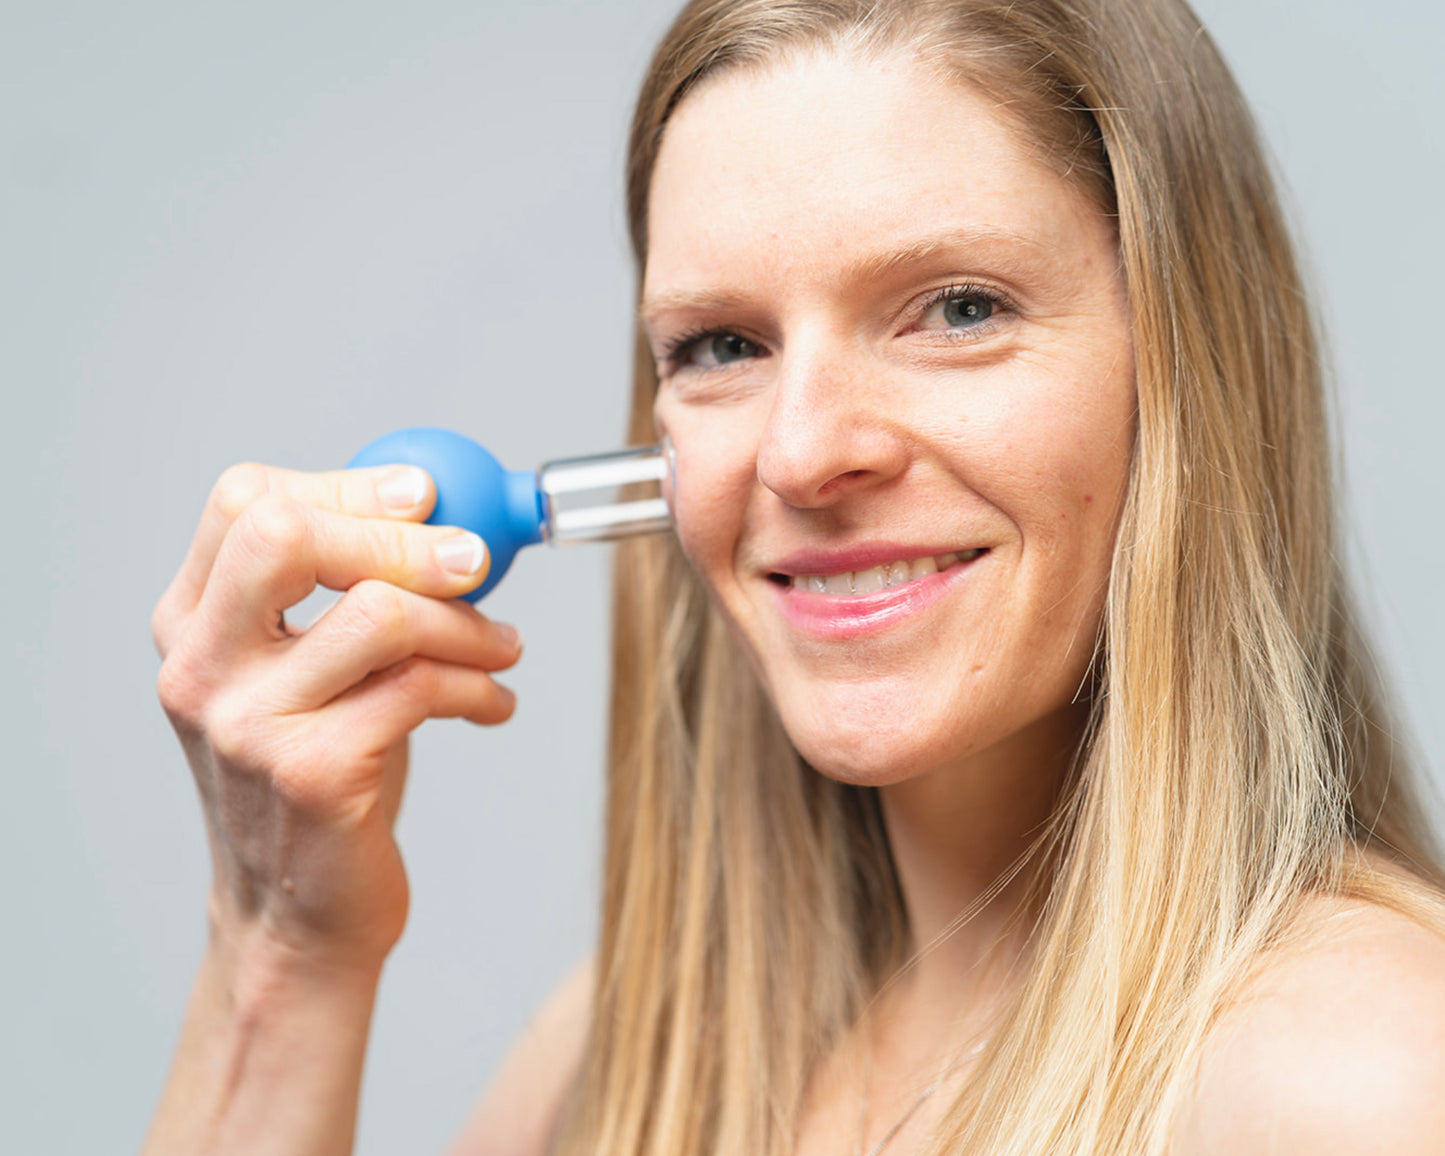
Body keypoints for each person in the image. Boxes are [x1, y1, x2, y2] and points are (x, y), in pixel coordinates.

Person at [142, 0, 1445, 1153]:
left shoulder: (1358, 1077)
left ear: (1186, 369)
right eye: (718, 343)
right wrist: (281, 949)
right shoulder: (619, 1058)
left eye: (957, 308)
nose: (803, 452)